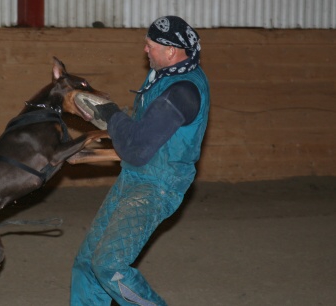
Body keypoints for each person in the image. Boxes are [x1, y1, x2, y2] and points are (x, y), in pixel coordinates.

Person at [70, 16, 210, 306]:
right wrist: (111, 121)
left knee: (109, 267)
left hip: (157, 187)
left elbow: (137, 148)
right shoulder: (163, 76)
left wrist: (110, 115)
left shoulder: (182, 92)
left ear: (171, 51)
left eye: (150, 45)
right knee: (87, 263)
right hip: (136, 177)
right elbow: (140, 131)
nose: (145, 50)